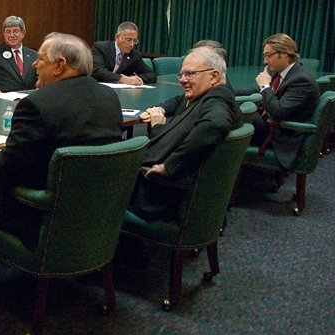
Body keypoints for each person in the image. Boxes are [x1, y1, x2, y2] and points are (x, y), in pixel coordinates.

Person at [0, 33, 124, 249]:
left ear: (59, 66)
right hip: (97, 208)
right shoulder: (110, 97)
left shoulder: (36, 104)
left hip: (42, 213)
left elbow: (8, 169)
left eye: (40, 59)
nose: (35, 65)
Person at [129, 47, 243, 221]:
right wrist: (160, 109)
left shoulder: (218, 101)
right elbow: (180, 99)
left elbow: (215, 124)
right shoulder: (206, 95)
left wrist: (170, 165)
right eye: (181, 75)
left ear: (214, 76)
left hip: (159, 197)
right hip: (173, 190)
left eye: (190, 74)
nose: (183, 80)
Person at [240, 33, 320, 170]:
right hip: (271, 123)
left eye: (268, 55)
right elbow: (255, 91)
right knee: (237, 107)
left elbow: (278, 112)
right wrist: (225, 89)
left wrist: (264, 86)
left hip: (281, 134)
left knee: (240, 113)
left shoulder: (301, 79)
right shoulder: (283, 71)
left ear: (284, 54)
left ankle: (226, 159)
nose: (265, 61)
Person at [0, 16, 38, 93]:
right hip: (3, 98)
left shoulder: (34, 54)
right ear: (4, 33)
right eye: (8, 31)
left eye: (16, 31)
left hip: (28, 99)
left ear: (23, 33)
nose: (12, 35)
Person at [91, 21, 157, 85]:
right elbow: (98, 71)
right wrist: (121, 79)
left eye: (134, 41)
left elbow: (151, 75)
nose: (132, 44)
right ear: (117, 37)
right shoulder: (101, 48)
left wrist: (133, 79)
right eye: (128, 40)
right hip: (99, 88)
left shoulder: (134, 55)